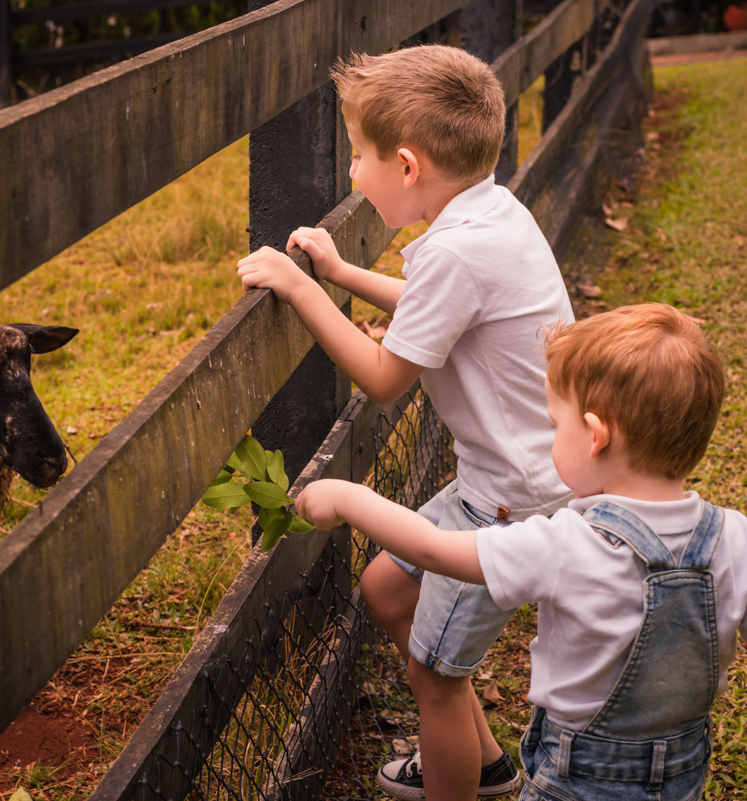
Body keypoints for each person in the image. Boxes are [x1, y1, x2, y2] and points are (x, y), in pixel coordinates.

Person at [294, 303, 747, 801]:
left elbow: (432, 549)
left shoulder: (566, 542)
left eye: (555, 424)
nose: (550, 437)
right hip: (681, 771)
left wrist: (349, 499)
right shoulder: (734, 535)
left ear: (595, 437)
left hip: (576, 777)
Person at [237, 44, 573, 799]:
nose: (354, 174)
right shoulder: (490, 213)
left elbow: (386, 378)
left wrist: (303, 289)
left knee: (433, 673)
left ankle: (457, 774)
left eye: (360, 156)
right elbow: (437, 309)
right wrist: (342, 274)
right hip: (510, 476)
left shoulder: (456, 252)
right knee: (389, 588)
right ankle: (484, 765)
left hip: (507, 499)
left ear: (409, 166)